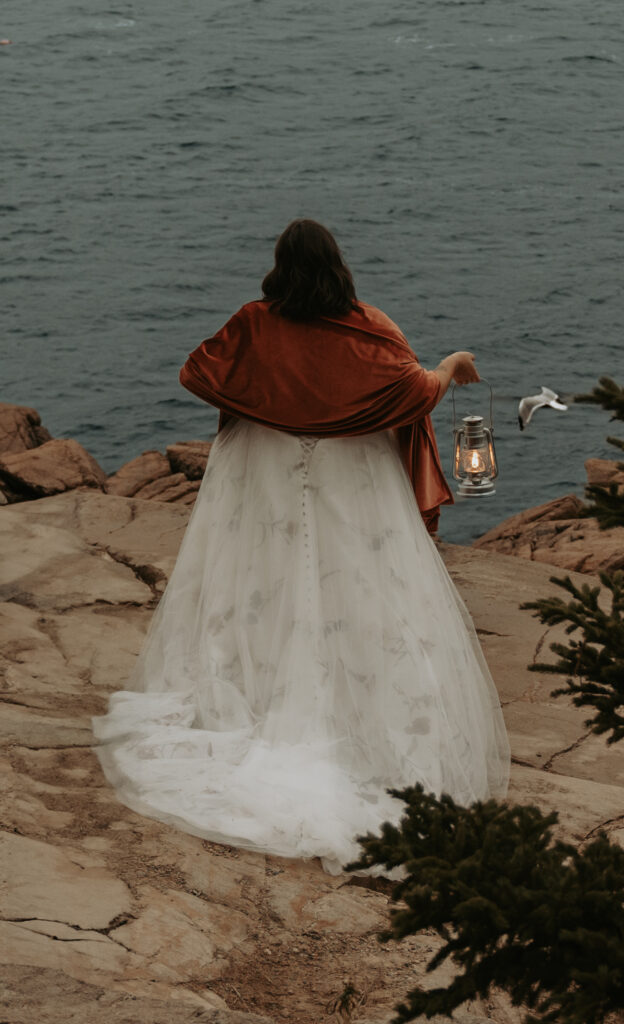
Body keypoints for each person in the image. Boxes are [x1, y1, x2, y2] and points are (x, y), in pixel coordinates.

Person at [91, 219, 510, 875]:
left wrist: (266, 402)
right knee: (358, 580)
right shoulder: (369, 328)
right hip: (351, 476)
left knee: (263, 578)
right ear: (337, 265)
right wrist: (451, 366)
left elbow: (196, 372)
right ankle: (355, 712)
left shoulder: (255, 324)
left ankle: (257, 697)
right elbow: (413, 392)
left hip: (264, 469)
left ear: (279, 265)